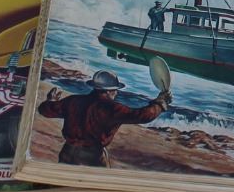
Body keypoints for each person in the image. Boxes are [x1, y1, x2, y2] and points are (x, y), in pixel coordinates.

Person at [38, 70, 170, 168]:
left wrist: (51, 101)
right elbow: (142, 115)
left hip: (67, 152)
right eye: (115, 90)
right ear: (109, 91)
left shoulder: (73, 101)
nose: (116, 93)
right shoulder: (112, 108)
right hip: (93, 157)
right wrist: (159, 103)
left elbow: (44, 110)